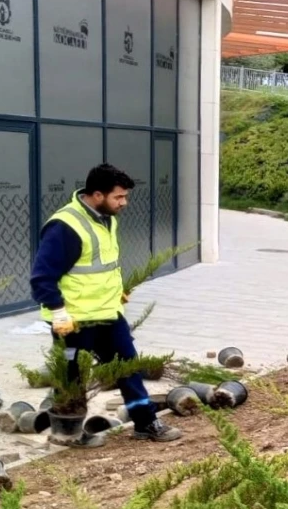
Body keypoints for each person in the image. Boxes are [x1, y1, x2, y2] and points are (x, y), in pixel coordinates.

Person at [30, 163, 182, 444]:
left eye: (125, 197)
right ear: (97, 195)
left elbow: (99, 266)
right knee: (72, 378)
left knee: (128, 367)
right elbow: (41, 277)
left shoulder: (106, 218)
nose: (124, 203)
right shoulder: (65, 226)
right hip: (73, 321)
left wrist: (115, 291)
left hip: (108, 313)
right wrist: (58, 312)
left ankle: (145, 423)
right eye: (118, 197)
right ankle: (68, 435)